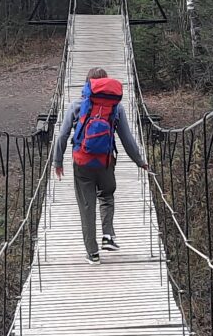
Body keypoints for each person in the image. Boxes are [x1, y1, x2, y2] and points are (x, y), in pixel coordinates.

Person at [52, 67, 149, 263]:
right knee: (106, 195)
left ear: (87, 84)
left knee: (87, 206)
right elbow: (127, 139)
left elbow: (62, 136)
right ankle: (108, 235)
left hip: (82, 162)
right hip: (105, 161)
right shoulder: (116, 107)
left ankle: (92, 253)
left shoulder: (77, 105)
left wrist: (58, 161)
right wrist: (139, 161)